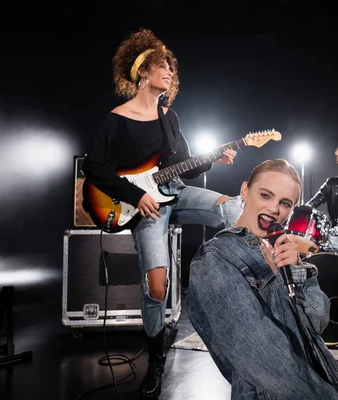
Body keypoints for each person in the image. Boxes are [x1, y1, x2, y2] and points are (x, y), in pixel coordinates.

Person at [82, 28, 242, 399]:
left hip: (177, 194)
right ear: (142, 71)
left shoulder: (169, 117)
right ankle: (156, 358)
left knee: (232, 206)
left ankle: (240, 279)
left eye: (171, 67)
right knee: (157, 287)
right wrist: (135, 196)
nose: (169, 72)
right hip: (146, 208)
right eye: (161, 66)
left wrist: (214, 158)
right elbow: (94, 168)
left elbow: (184, 167)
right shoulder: (117, 119)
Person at [187, 159, 338, 400]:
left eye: (285, 203)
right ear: (245, 190)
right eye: (265, 195)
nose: (274, 209)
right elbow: (263, 357)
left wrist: (299, 271)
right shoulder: (215, 259)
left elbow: (318, 322)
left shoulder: (279, 253)